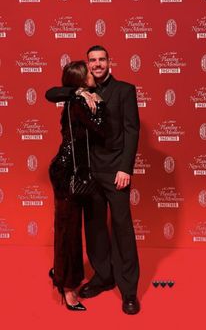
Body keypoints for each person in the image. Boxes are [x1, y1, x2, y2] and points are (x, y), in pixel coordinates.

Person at [46, 46, 140, 315]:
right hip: (88, 172)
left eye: (102, 60)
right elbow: (53, 92)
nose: (97, 65)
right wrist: (78, 92)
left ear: (110, 62)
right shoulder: (80, 90)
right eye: (93, 61)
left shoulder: (125, 90)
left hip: (116, 172)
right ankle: (103, 275)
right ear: (88, 66)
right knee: (95, 228)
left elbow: (132, 132)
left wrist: (126, 168)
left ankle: (129, 289)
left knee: (122, 227)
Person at [45, 60, 105, 311]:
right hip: (68, 173)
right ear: (81, 78)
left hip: (71, 172)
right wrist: (95, 103)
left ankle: (61, 271)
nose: (93, 72)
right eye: (89, 71)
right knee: (68, 232)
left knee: (66, 227)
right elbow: (102, 130)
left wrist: (86, 94)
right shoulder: (81, 102)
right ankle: (68, 288)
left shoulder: (82, 98)